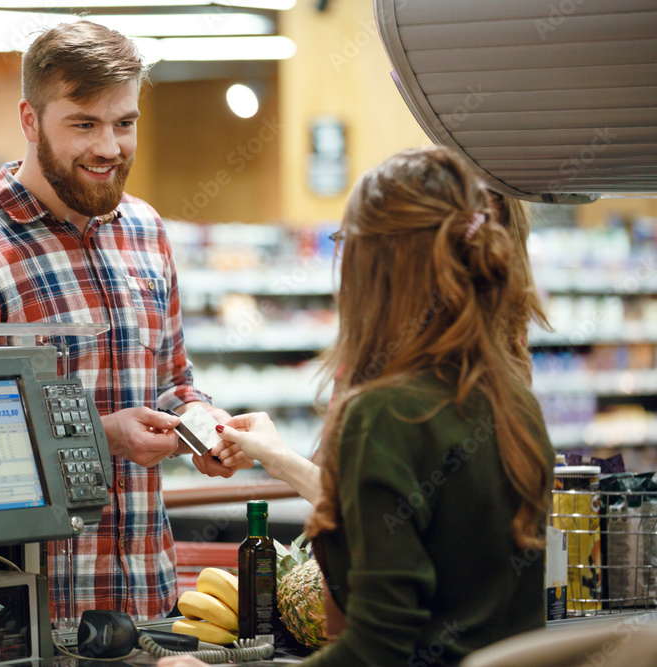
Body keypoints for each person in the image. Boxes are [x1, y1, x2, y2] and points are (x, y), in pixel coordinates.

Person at [166, 145, 555, 666]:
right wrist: (277, 456)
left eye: (345, 243)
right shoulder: (513, 401)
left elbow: (377, 650)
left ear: (376, 263)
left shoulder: (385, 415)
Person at [0, 20, 248, 622]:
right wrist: (101, 437)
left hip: (153, 603)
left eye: (124, 123)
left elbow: (172, 378)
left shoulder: (146, 232)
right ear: (29, 120)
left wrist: (201, 421)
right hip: (31, 622)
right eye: (84, 124)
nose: (109, 147)